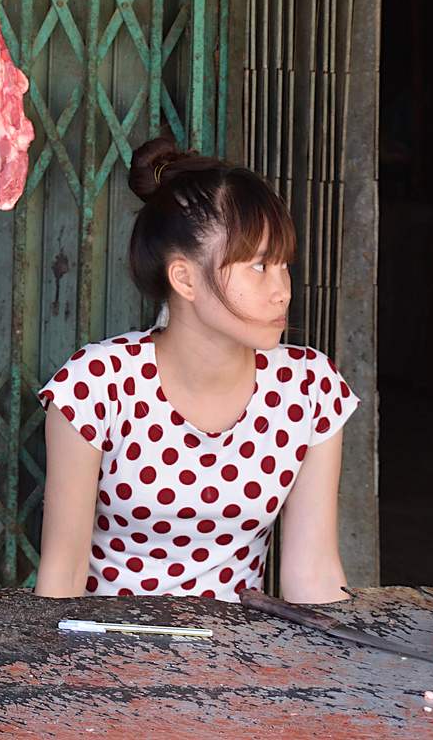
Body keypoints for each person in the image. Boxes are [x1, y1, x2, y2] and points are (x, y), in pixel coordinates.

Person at [33, 137, 357, 603]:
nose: (282, 290)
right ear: (184, 278)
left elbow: (315, 574)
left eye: (284, 265)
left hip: (242, 656)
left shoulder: (309, 388)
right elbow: (62, 574)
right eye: (259, 267)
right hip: (106, 652)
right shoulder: (97, 384)